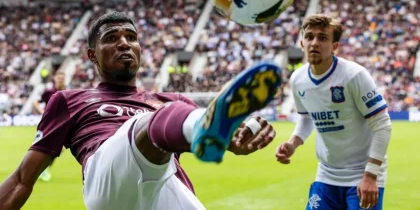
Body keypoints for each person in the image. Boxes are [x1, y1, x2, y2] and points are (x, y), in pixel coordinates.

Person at [0, 11, 282, 210]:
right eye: (112, 38)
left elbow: (224, 143)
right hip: (110, 186)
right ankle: (205, 119)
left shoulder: (169, 98)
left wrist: (238, 138)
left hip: (163, 186)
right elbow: (23, 179)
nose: (124, 43)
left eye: (131, 37)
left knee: (169, 116)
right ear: (91, 55)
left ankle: (208, 120)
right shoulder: (69, 100)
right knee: (150, 122)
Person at [275, 14, 392, 210]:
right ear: (302, 42)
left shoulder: (354, 75)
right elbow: (306, 117)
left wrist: (371, 176)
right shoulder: (298, 79)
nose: (314, 42)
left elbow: (382, 125)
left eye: (322, 38)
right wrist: (293, 143)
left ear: (335, 46)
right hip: (327, 174)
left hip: (363, 174)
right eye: (310, 36)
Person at [32, 71, 66, 182]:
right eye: (59, 78)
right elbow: (36, 102)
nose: (60, 80)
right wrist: (43, 111)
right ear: (55, 79)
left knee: (59, 150)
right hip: (49, 124)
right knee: (44, 147)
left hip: (61, 124)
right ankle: (39, 169)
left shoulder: (68, 91)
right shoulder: (49, 92)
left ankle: (44, 169)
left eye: (62, 78)